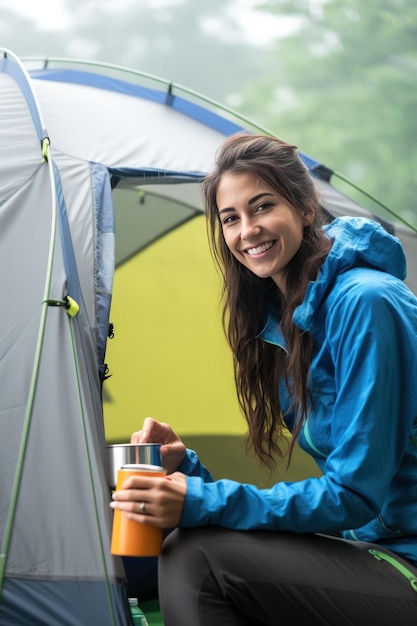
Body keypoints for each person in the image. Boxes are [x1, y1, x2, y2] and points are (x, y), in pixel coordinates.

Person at [110, 133, 417, 625]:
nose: (247, 231)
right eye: (230, 218)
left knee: (199, 559)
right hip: (376, 546)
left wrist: (198, 501)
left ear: (304, 207)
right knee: (174, 546)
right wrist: (187, 472)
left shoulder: (367, 302)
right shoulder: (284, 321)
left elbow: (355, 494)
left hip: (407, 561)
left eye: (262, 207)